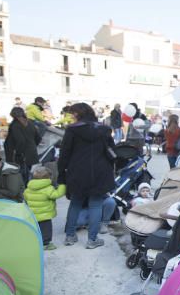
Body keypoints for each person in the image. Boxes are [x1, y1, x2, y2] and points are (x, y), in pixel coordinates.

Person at [57, 102, 115, 249]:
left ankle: (70, 236)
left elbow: (64, 154)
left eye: (73, 113)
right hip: (100, 172)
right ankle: (92, 239)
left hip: (77, 172)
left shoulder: (72, 130)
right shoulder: (104, 129)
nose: (71, 116)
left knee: (75, 203)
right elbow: (112, 152)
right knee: (96, 205)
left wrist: (61, 174)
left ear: (78, 114)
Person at [23, 165, 66, 250]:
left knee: (37, 229)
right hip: (45, 214)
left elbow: (25, 197)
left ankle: (37, 241)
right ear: (48, 178)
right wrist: (63, 186)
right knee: (46, 230)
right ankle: (46, 244)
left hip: (34, 214)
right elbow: (56, 194)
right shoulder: (47, 188)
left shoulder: (29, 188)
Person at [4, 106, 39, 178]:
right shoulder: (30, 123)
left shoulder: (15, 125)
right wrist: (33, 146)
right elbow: (38, 138)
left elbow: (21, 140)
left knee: (20, 175)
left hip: (20, 154)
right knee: (27, 174)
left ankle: (22, 188)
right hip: (30, 152)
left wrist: (18, 153)